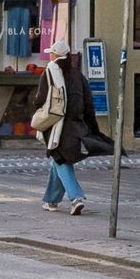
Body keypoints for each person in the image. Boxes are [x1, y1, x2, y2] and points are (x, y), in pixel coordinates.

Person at [32, 52, 95, 214]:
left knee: (60, 159)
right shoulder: (79, 75)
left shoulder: (50, 72)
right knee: (57, 160)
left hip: (58, 126)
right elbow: (88, 102)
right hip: (76, 126)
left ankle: (76, 198)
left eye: (51, 53)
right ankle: (51, 200)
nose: (50, 56)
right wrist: (91, 127)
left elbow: (40, 99)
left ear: (55, 56)